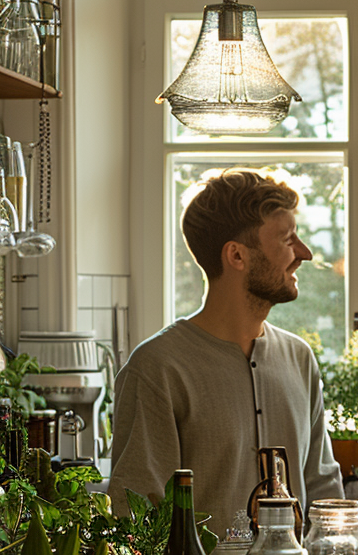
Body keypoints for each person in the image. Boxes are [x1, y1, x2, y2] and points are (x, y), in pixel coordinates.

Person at [108, 169, 343, 534]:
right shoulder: (157, 368)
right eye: (287, 239)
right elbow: (136, 518)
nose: (304, 254)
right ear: (236, 255)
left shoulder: (299, 358)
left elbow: (324, 490)